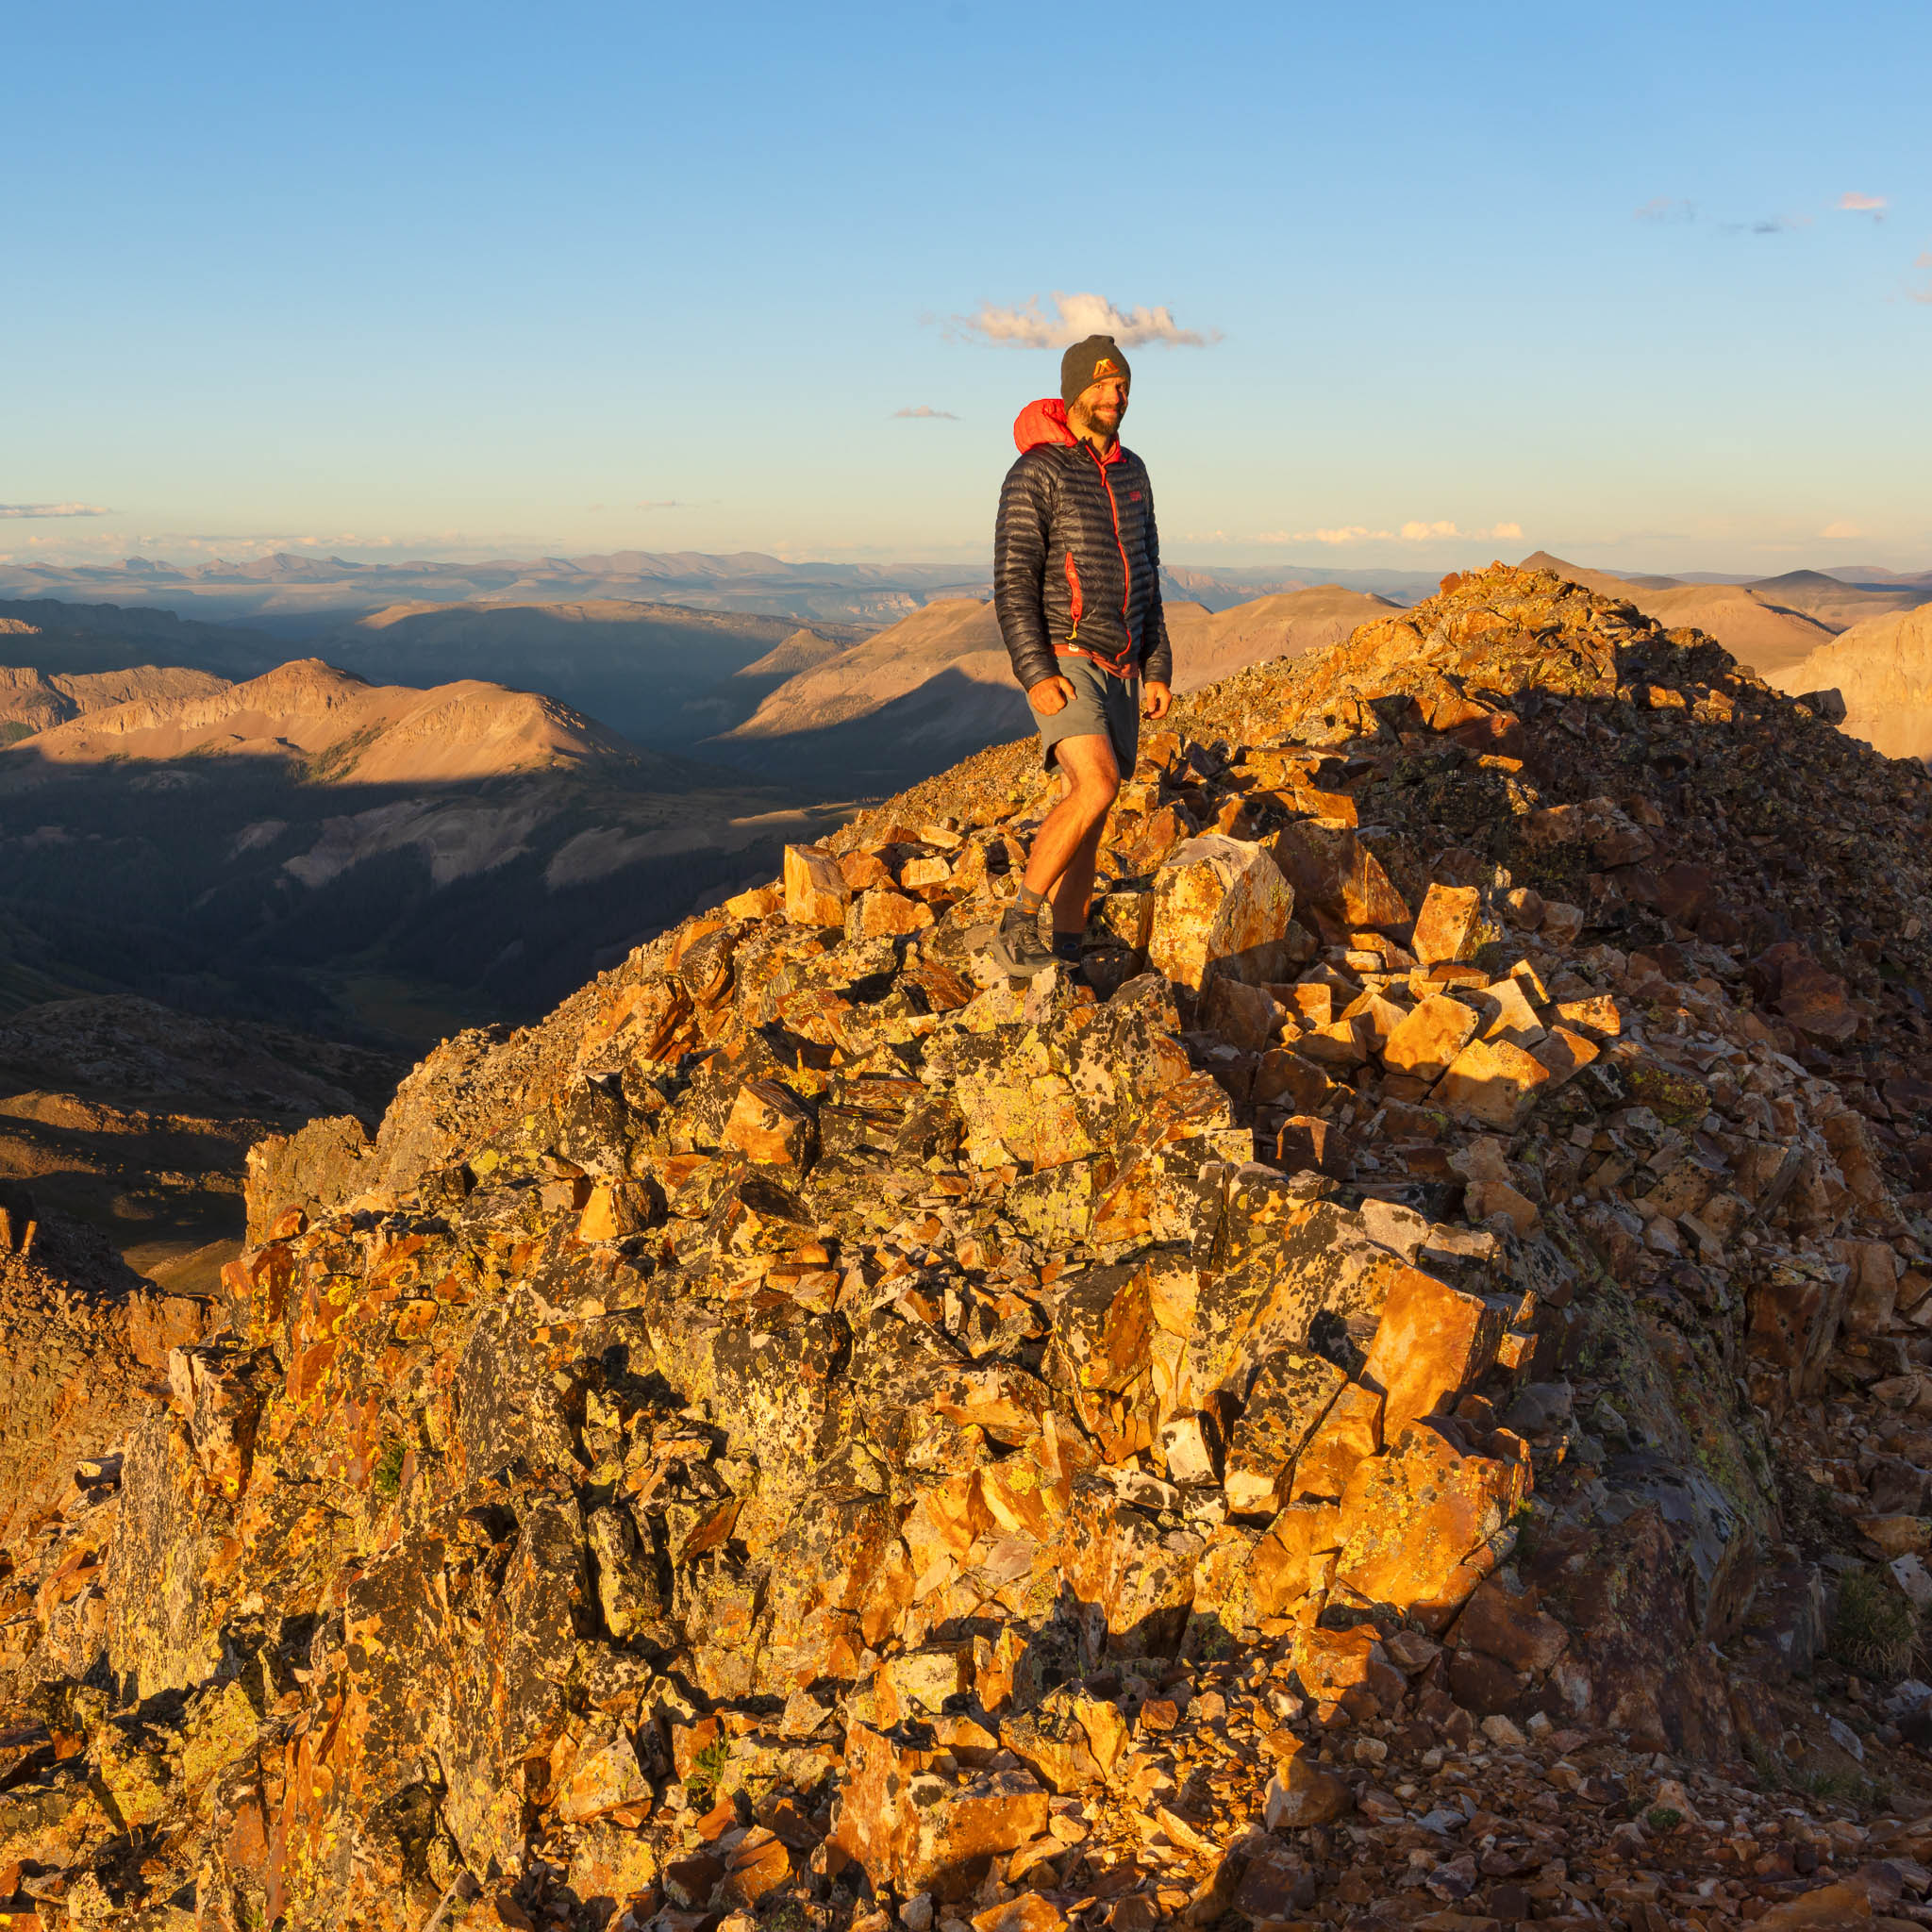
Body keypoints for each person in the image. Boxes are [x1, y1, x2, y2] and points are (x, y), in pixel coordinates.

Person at [990, 332, 1173, 982]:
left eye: (1121, 385)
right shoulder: (1037, 472)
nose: (1114, 396)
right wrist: (1035, 674)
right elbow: (1013, 582)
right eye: (1100, 385)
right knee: (1097, 783)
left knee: (1091, 815)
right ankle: (1019, 924)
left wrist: (1157, 667)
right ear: (1075, 393)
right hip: (1067, 655)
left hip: (1124, 664)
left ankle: (1064, 950)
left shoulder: (1134, 471)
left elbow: (1147, 574)